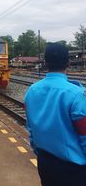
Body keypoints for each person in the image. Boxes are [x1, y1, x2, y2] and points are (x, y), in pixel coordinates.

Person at [24, 43, 86, 186]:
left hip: (45, 163)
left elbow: (31, 129)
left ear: (45, 63)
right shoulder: (76, 94)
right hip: (74, 170)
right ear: (68, 63)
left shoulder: (31, 91)